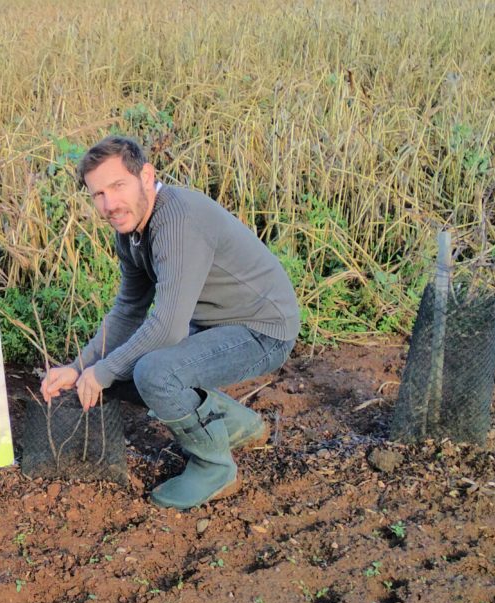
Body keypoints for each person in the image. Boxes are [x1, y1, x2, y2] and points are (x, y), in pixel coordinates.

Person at [39, 136, 300, 510]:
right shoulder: (130, 230)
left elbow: (168, 329)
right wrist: (80, 367)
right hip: (214, 328)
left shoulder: (177, 220)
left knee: (154, 373)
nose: (109, 204)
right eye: (98, 194)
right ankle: (234, 424)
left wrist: (104, 369)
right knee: (110, 377)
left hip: (263, 330)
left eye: (117, 186)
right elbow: (129, 310)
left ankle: (215, 467)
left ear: (146, 176)